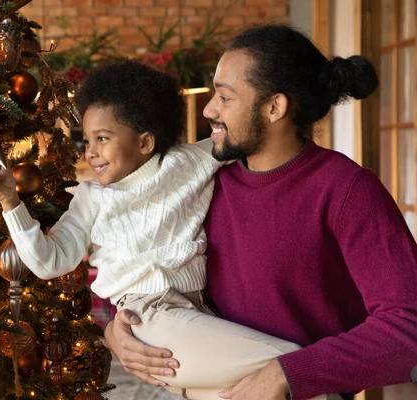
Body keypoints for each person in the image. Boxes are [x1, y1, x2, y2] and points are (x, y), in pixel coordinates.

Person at [0, 60, 336, 399]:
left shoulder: (187, 163)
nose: (91, 152)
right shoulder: (91, 199)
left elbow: (247, 136)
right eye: (87, 140)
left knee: (267, 388)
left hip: (199, 316)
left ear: (146, 143)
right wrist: (11, 203)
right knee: (299, 369)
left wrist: (304, 98)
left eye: (102, 138)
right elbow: (48, 262)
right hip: (149, 319)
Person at [104, 25, 417, 400]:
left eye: (225, 97)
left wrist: (284, 373)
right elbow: (146, 271)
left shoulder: (347, 190)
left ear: (274, 107)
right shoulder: (203, 184)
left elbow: (408, 327)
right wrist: (116, 333)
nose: (209, 109)